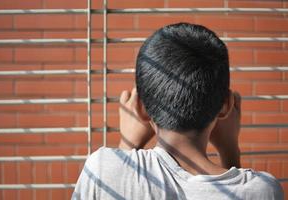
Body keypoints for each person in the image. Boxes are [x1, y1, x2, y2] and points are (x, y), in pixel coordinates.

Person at [72, 23, 284, 200]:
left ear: (140, 109)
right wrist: (230, 149)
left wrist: (128, 146)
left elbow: (119, 181)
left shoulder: (101, 168)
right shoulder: (263, 190)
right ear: (226, 106)